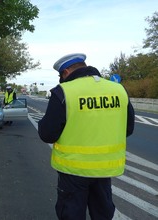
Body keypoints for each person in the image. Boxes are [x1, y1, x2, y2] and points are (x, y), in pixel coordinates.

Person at [38, 53, 135, 220]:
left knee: (71, 213)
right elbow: (128, 128)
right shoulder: (118, 89)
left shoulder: (64, 91)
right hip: (105, 169)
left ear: (66, 72)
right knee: (103, 213)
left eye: (61, 76)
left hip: (73, 170)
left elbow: (48, 134)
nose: (61, 80)